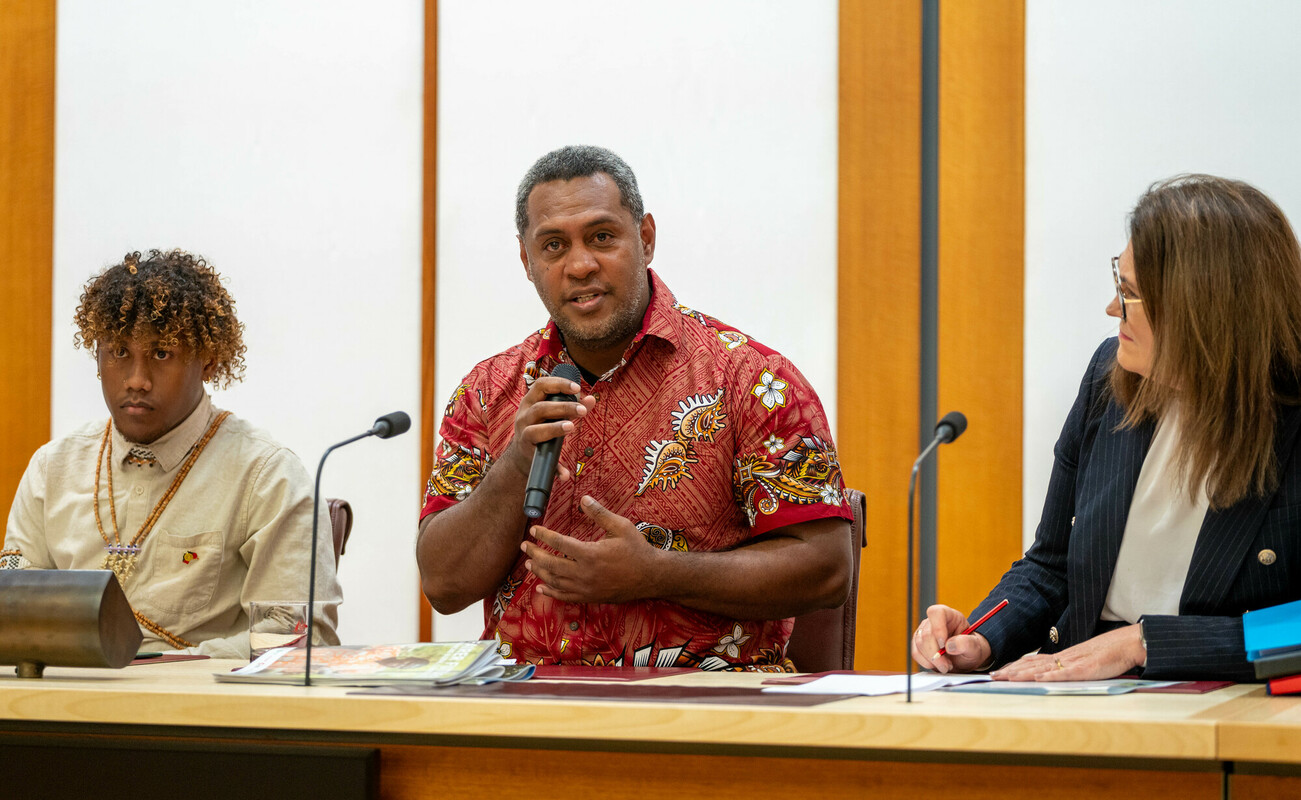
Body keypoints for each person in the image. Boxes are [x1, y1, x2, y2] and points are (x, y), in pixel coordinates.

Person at [417, 145, 852, 671]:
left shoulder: (753, 379)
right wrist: (515, 460)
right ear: (527, 262)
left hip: (707, 720)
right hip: (527, 715)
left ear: (645, 239)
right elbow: (444, 586)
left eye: (602, 237)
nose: (579, 265)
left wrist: (657, 574)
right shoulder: (487, 391)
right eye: (553, 246)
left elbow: (827, 571)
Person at [913, 174, 1301, 682]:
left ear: (1206, 308)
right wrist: (984, 636)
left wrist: (1143, 642)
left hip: (1228, 700)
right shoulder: (1108, 378)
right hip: (1085, 687)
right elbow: (1052, 565)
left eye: (1131, 294)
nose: (1112, 308)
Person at [1, 249, 342, 659]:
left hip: (197, 712)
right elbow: (12, 613)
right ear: (97, 355)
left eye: (162, 354)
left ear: (209, 362)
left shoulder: (267, 475)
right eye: (119, 353)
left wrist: (172, 666)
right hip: (64, 708)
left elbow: (299, 638)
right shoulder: (52, 468)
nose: (137, 380)